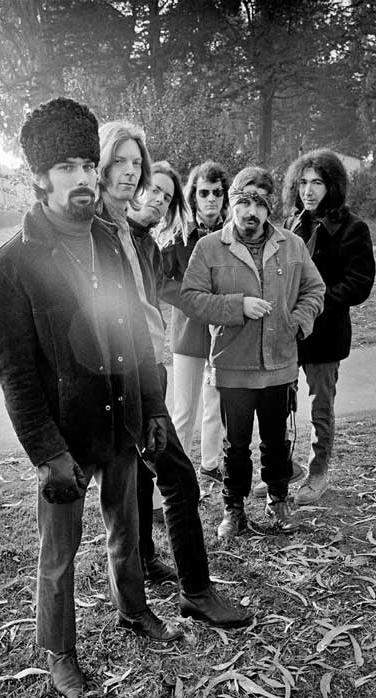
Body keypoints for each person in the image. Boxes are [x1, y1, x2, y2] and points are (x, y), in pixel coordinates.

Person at [0, 98, 182, 698]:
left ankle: (132, 608)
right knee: (59, 553)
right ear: (40, 177)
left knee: (129, 525)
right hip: (63, 438)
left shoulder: (109, 242)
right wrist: (46, 452)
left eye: (88, 165)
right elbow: (13, 373)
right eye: (68, 167)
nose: (86, 179)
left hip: (121, 419)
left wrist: (150, 409)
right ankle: (59, 652)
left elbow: (135, 336)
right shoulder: (12, 267)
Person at [97, 120, 252, 622]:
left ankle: (145, 557)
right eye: (154, 190)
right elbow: (170, 301)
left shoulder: (141, 242)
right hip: (129, 375)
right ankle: (196, 590)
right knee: (180, 478)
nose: (159, 200)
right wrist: (234, 306)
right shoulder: (109, 236)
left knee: (145, 476)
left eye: (165, 194)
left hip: (150, 366)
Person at [181, 166, 326, 540]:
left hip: (279, 364)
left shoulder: (291, 244)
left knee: (277, 441)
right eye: (243, 202)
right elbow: (191, 298)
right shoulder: (209, 247)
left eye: (259, 204)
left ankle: (278, 500)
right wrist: (236, 306)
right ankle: (234, 509)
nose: (250, 212)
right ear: (232, 203)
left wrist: (298, 320)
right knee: (236, 445)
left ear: (269, 208)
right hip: (233, 365)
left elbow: (315, 290)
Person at [280, 149, 376, 504]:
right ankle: (284, 469)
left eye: (317, 182)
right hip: (291, 333)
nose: (308, 190)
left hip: (325, 333)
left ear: (332, 185)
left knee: (321, 406)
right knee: (282, 402)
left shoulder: (353, 228)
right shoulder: (292, 224)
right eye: (302, 182)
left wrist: (316, 303)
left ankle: (318, 473)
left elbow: (359, 283)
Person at [161, 161, 227, 482]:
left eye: (217, 192)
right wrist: (191, 299)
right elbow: (159, 280)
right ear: (193, 196)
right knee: (184, 411)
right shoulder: (178, 235)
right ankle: (179, 474)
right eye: (204, 193)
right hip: (188, 333)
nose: (211, 199)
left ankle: (210, 464)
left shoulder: (232, 234)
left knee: (215, 405)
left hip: (223, 334)